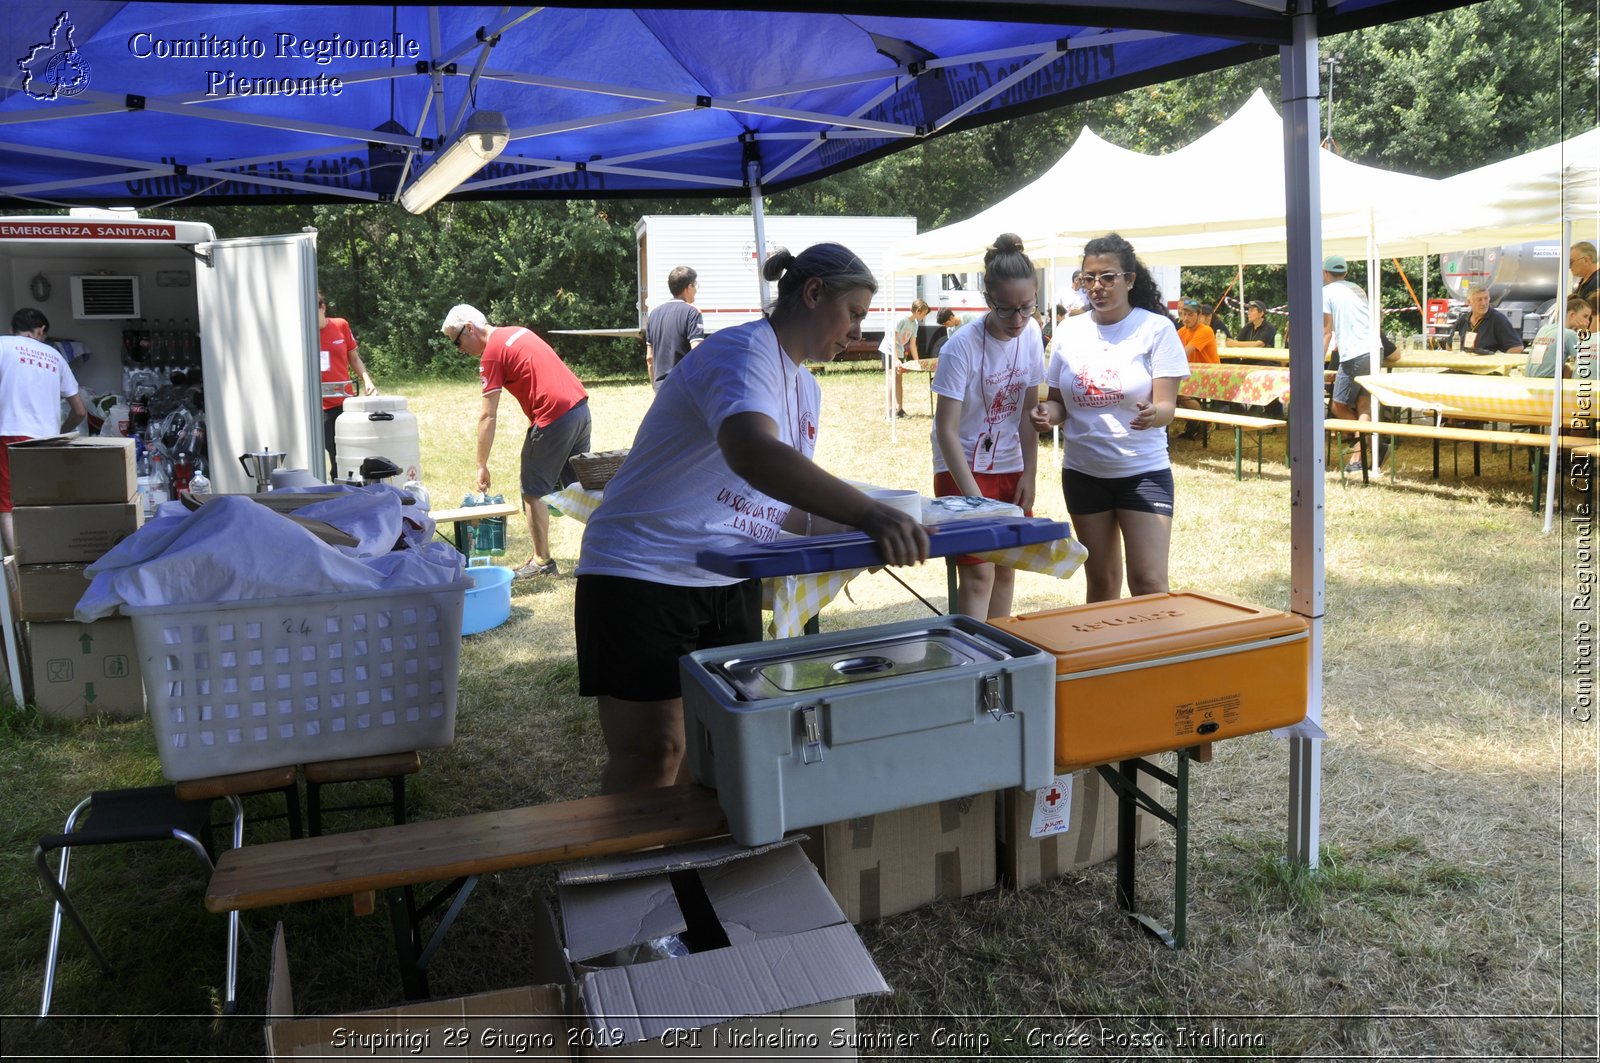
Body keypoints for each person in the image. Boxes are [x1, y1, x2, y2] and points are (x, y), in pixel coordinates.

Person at [574, 243, 929, 793]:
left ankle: (697, 872)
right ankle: (630, 878)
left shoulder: (806, 387)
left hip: (729, 574)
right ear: (813, 293)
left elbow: (775, 500)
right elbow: (753, 454)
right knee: (654, 750)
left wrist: (867, 532)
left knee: (718, 745)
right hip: (642, 572)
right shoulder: (740, 353)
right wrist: (868, 513)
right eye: (854, 314)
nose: (857, 332)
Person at [1029, 233, 1188, 604]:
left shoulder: (1156, 329)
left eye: (1107, 277)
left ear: (1129, 280)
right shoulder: (1069, 330)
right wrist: (1045, 414)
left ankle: (1151, 660)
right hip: (1084, 473)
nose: (1096, 287)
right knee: (1101, 583)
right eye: (1088, 278)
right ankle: (1105, 663)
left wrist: (1154, 414)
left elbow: (1167, 408)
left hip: (1142, 471)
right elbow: (1059, 403)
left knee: (1148, 582)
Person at [929, 233, 1044, 620]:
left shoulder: (1031, 336)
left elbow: (1029, 414)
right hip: (962, 467)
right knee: (978, 576)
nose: (1017, 319)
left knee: (1007, 571)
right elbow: (946, 429)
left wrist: (1030, 472)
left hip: (1009, 464)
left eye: (1027, 307)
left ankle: (1000, 657)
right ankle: (973, 660)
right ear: (987, 297)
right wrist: (974, 498)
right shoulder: (959, 347)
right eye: (1006, 309)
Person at [442, 305, 591, 579]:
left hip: (554, 415)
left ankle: (542, 562)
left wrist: (481, 465)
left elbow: (488, 415)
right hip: (579, 407)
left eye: (457, 341)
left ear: (470, 328)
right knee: (581, 488)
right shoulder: (517, 332)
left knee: (533, 490)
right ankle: (602, 554)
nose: (459, 349)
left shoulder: (491, 355)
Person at [0, 308, 87, 552]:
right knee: (45, 500)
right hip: (48, 441)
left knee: (8, 505)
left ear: (12, 329)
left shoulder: (3, 344)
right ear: (40, 331)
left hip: (11, 434)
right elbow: (80, 412)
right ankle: (51, 558)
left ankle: (19, 568)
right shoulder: (55, 356)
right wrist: (61, 431)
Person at [1322, 255, 1381, 473]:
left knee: (1338, 405)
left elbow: (1326, 331)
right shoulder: (1357, 288)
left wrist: (1318, 364)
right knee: (1363, 404)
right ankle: (1361, 456)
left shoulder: (1325, 292)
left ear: (1325, 274)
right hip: (1374, 349)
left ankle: (1364, 447)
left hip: (1355, 353)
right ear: (1345, 273)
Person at [318, 290, 377, 480]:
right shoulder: (304, 334)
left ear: (323, 308)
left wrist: (367, 381)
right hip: (322, 406)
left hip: (345, 403)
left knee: (352, 449)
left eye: (314, 311)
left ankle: (351, 485)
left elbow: (354, 358)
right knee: (336, 453)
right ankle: (338, 486)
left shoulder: (340, 325)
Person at [645, 265, 704, 391]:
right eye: (695, 285)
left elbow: (649, 358)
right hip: (683, 388)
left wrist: (655, 388)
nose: (696, 290)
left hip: (660, 389)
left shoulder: (653, 314)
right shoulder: (692, 313)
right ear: (688, 287)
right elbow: (697, 353)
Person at [1527, 296, 1594, 378]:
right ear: (1572, 315)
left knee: (1566, 369)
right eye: (1585, 316)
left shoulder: (1544, 328)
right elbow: (1585, 361)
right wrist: (1583, 333)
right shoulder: (1569, 334)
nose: (1588, 321)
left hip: (1530, 377)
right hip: (1549, 381)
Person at [1452, 285, 1524, 354]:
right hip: (1465, 364)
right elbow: (1449, 346)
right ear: (1469, 302)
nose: (1484, 303)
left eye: (1486, 298)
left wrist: (1498, 362)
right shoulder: (1463, 319)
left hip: (1487, 365)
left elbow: (1517, 347)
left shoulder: (1498, 320)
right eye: (1479, 300)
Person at [890, 298, 931, 417]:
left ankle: (900, 409)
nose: (924, 316)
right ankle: (890, 410)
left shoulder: (915, 324)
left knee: (898, 380)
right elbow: (892, 340)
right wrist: (896, 358)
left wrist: (917, 362)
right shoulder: (902, 319)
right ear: (918, 311)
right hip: (889, 350)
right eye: (924, 313)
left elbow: (912, 345)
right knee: (891, 378)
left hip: (900, 351)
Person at [1176, 299, 1218, 364]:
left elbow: (1184, 353)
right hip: (1193, 371)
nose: (1186, 318)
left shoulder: (1205, 330)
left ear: (1199, 315)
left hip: (1210, 372)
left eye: (1190, 315)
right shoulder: (1182, 331)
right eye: (1184, 314)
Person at [1572, 241, 1600, 313]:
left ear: (1586, 260)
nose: (1569, 267)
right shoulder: (1585, 281)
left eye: (1571, 262)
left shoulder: (1597, 281)